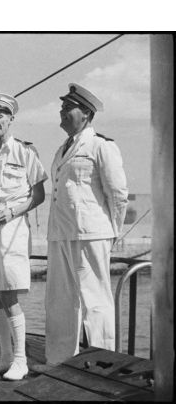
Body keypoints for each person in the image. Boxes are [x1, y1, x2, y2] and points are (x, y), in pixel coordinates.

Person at [45, 83, 128, 364]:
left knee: (95, 302)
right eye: (63, 107)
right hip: (61, 233)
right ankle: (59, 360)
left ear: (86, 114)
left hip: (90, 233)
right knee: (60, 302)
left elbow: (118, 194)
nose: (62, 111)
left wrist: (112, 231)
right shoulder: (62, 148)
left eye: (69, 108)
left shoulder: (101, 146)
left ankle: (104, 362)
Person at [0, 93, 47, 380]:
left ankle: (21, 359)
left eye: (0, 116)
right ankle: (4, 356)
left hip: (12, 225)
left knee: (9, 292)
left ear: (11, 118)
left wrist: (12, 212)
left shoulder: (25, 152)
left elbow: (39, 194)